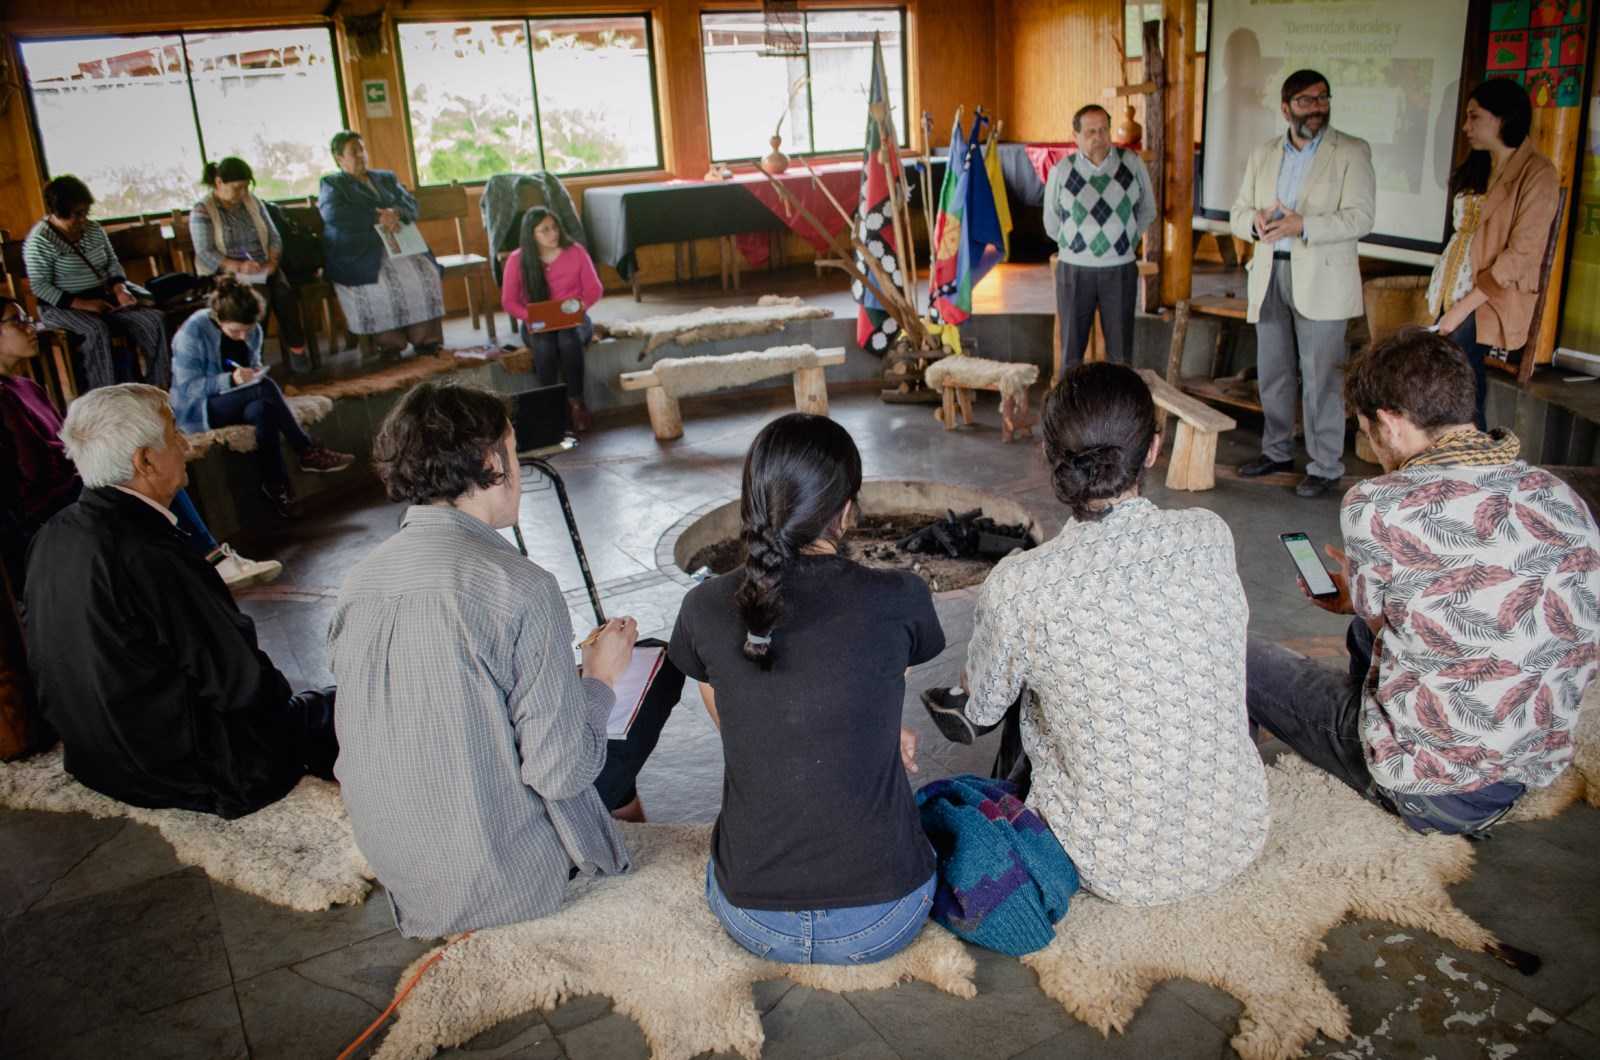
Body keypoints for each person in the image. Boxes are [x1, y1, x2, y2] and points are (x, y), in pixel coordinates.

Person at [329, 382, 683, 938]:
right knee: (656, 665)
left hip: (403, 871)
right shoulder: (521, 585)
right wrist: (598, 678)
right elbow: (559, 772)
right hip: (504, 879)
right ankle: (619, 823)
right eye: (515, 452)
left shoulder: (358, 582)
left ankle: (620, 806)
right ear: (492, 462)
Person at [930, 364, 1270, 905]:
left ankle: (1012, 801)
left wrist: (978, 683)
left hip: (1108, 859)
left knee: (1024, 676)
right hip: (1234, 832)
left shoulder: (1022, 583)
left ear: (1049, 456)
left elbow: (983, 710)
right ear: (1152, 451)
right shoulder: (1209, 534)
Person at [1246, 329, 1600, 836]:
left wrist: (1360, 595)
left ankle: (1235, 798)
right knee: (1363, 632)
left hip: (1432, 793)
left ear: (1390, 423)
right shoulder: (1557, 493)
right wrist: (1361, 599)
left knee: (1239, 656)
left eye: (1367, 432)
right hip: (1527, 768)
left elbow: (1383, 618)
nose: (1373, 448)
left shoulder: (1378, 504)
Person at [667, 413, 942, 965]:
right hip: (885, 917)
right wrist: (872, 731)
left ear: (754, 500)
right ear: (846, 509)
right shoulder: (901, 597)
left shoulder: (703, 607)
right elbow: (879, 676)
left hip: (753, 917)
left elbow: (735, 713)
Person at [23, 384, 337, 818]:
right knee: (344, 705)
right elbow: (244, 684)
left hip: (96, 760)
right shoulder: (151, 553)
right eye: (174, 434)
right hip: (186, 770)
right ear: (145, 461)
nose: (186, 444)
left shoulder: (52, 535)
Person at [0, 295, 278, 593]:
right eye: (17, 321)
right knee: (143, 467)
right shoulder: (3, 398)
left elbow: (61, 442)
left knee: (154, 460)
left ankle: (203, 560)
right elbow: (34, 470)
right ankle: (209, 561)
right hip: (48, 500)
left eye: (28, 319)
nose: (30, 327)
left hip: (73, 477)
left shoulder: (28, 387)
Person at [1229, 69, 1376, 498]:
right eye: (1306, 101)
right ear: (1285, 108)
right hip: (1268, 272)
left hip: (1323, 277)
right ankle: (1276, 451)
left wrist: (1303, 225)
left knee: (1321, 378)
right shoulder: (1263, 153)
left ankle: (1325, 465)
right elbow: (1238, 211)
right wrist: (1254, 222)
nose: (1317, 108)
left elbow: (1361, 217)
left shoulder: (1351, 150)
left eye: (1323, 98)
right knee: (1273, 372)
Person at [1428, 79, 1559, 430]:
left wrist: (1462, 308)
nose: (1465, 126)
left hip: (1488, 298)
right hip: (1451, 288)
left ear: (1502, 119)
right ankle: (1451, 459)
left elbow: (1520, 255)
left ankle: (1474, 460)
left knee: (1461, 389)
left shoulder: (1538, 172)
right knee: (1444, 387)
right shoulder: (1480, 163)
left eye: (1475, 117)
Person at [170, 278, 354, 516]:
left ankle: (278, 488)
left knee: (263, 409)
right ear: (218, 318)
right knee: (264, 388)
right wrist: (230, 380)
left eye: (247, 330)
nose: (242, 336)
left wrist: (252, 373)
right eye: (235, 331)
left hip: (240, 399)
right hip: (200, 408)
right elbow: (187, 388)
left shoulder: (253, 330)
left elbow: (253, 364)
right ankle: (307, 450)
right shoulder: (193, 331)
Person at [21, 175, 171, 391]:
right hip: (61, 307)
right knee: (95, 330)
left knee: (154, 320)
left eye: (85, 212)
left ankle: (158, 388)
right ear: (57, 212)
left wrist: (120, 289)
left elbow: (112, 263)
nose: (83, 219)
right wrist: (84, 304)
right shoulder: (40, 240)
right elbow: (40, 286)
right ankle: (105, 396)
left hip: (103, 300)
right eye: (76, 215)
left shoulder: (93, 230)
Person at [1044, 104, 1158, 367]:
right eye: (1090, 132)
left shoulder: (1132, 163)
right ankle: (1069, 397)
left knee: (1120, 357)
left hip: (1119, 269)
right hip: (1074, 269)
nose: (1098, 137)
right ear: (1076, 136)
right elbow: (1051, 220)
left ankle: (1117, 397)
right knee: (1071, 356)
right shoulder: (1062, 170)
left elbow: (1148, 210)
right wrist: (1076, 247)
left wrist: (1126, 241)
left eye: (1103, 130)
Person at [318, 131, 445, 359]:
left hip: (398, 246)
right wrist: (377, 217)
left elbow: (411, 205)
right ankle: (390, 344)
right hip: (359, 252)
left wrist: (396, 212)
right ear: (340, 158)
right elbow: (333, 214)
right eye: (354, 152)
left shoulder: (385, 178)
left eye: (362, 149)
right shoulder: (333, 184)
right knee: (380, 285)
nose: (361, 155)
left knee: (425, 274)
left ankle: (425, 340)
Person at [189, 157, 312, 374]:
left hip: (261, 266)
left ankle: (297, 349)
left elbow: (274, 237)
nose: (243, 193)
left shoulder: (253, 202)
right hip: (226, 273)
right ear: (219, 182)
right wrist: (239, 266)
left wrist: (272, 262)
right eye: (237, 188)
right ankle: (252, 357)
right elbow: (205, 252)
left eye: (246, 187)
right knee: (257, 297)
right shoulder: (203, 210)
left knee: (284, 293)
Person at [500, 207, 604, 432]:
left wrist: (578, 308)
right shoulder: (517, 259)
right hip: (537, 323)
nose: (553, 234)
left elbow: (594, 289)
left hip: (575, 320)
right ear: (531, 234)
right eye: (544, 230)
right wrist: (533, 316)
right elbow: (509, 301)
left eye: (554, 227)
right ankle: (551, 406)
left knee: (568, 339)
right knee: (545, 344)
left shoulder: (575, 252)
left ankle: (576, 404)